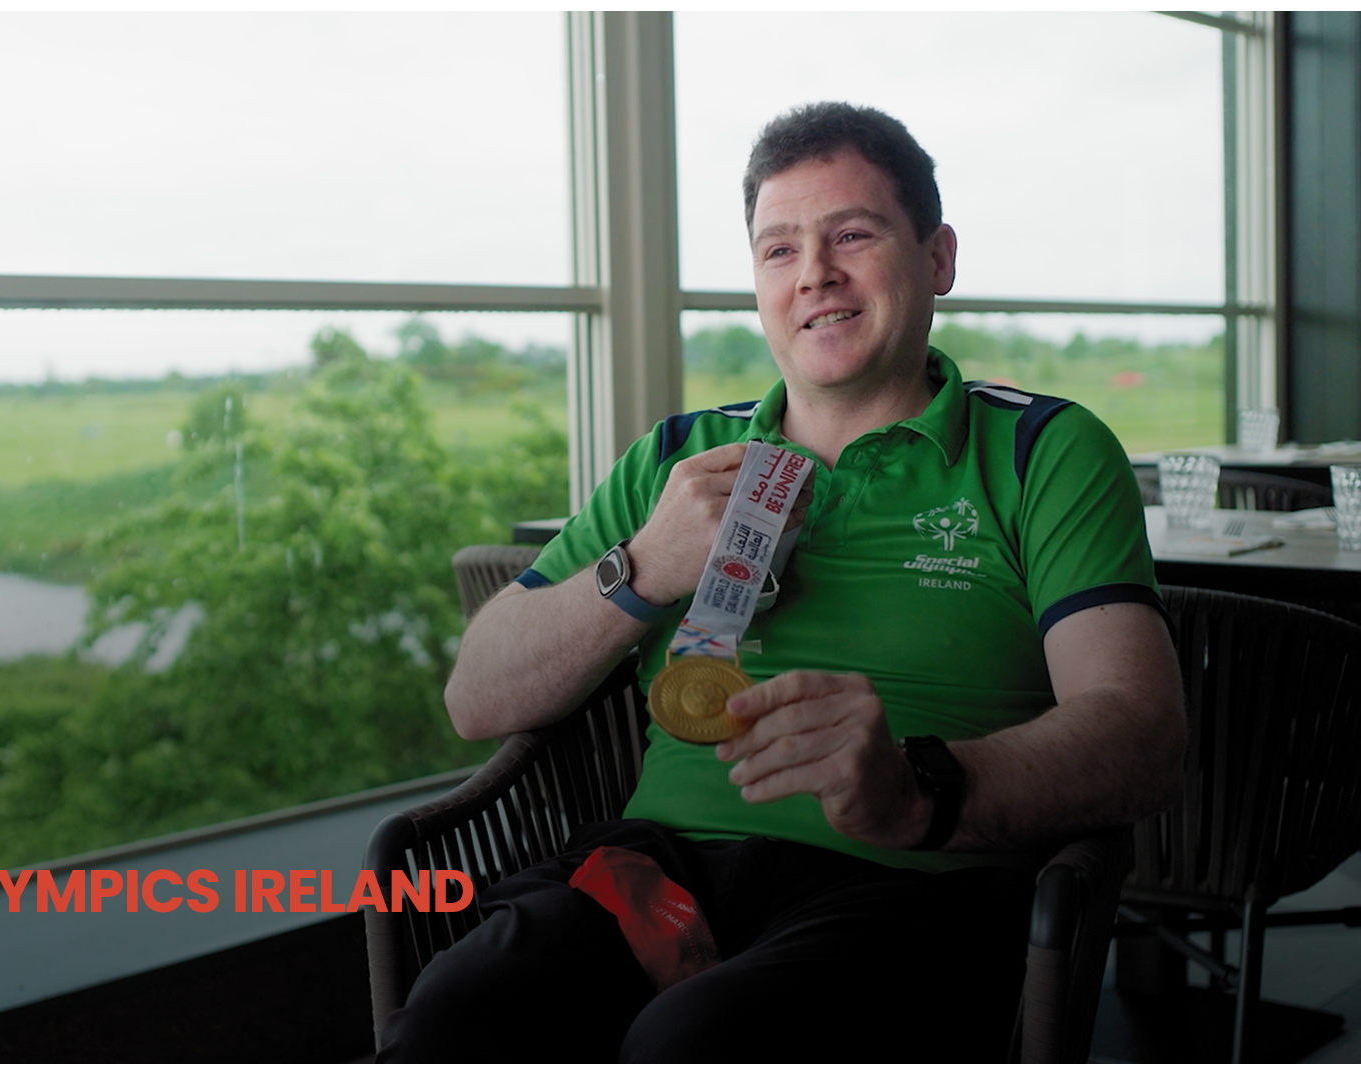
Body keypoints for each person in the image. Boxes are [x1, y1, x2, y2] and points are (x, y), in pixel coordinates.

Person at [377, 102, 1184, 1063]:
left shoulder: (1043, 450)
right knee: (464, 1014)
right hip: (661, 880)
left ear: (937, 260)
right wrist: (643, 569)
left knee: (696, 1044)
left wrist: (918, 788)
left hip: (915, 879)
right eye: (778, 250)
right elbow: (476, 697)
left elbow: (1143, 733)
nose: (814, 276)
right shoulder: (678, 459)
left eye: (852, 234)